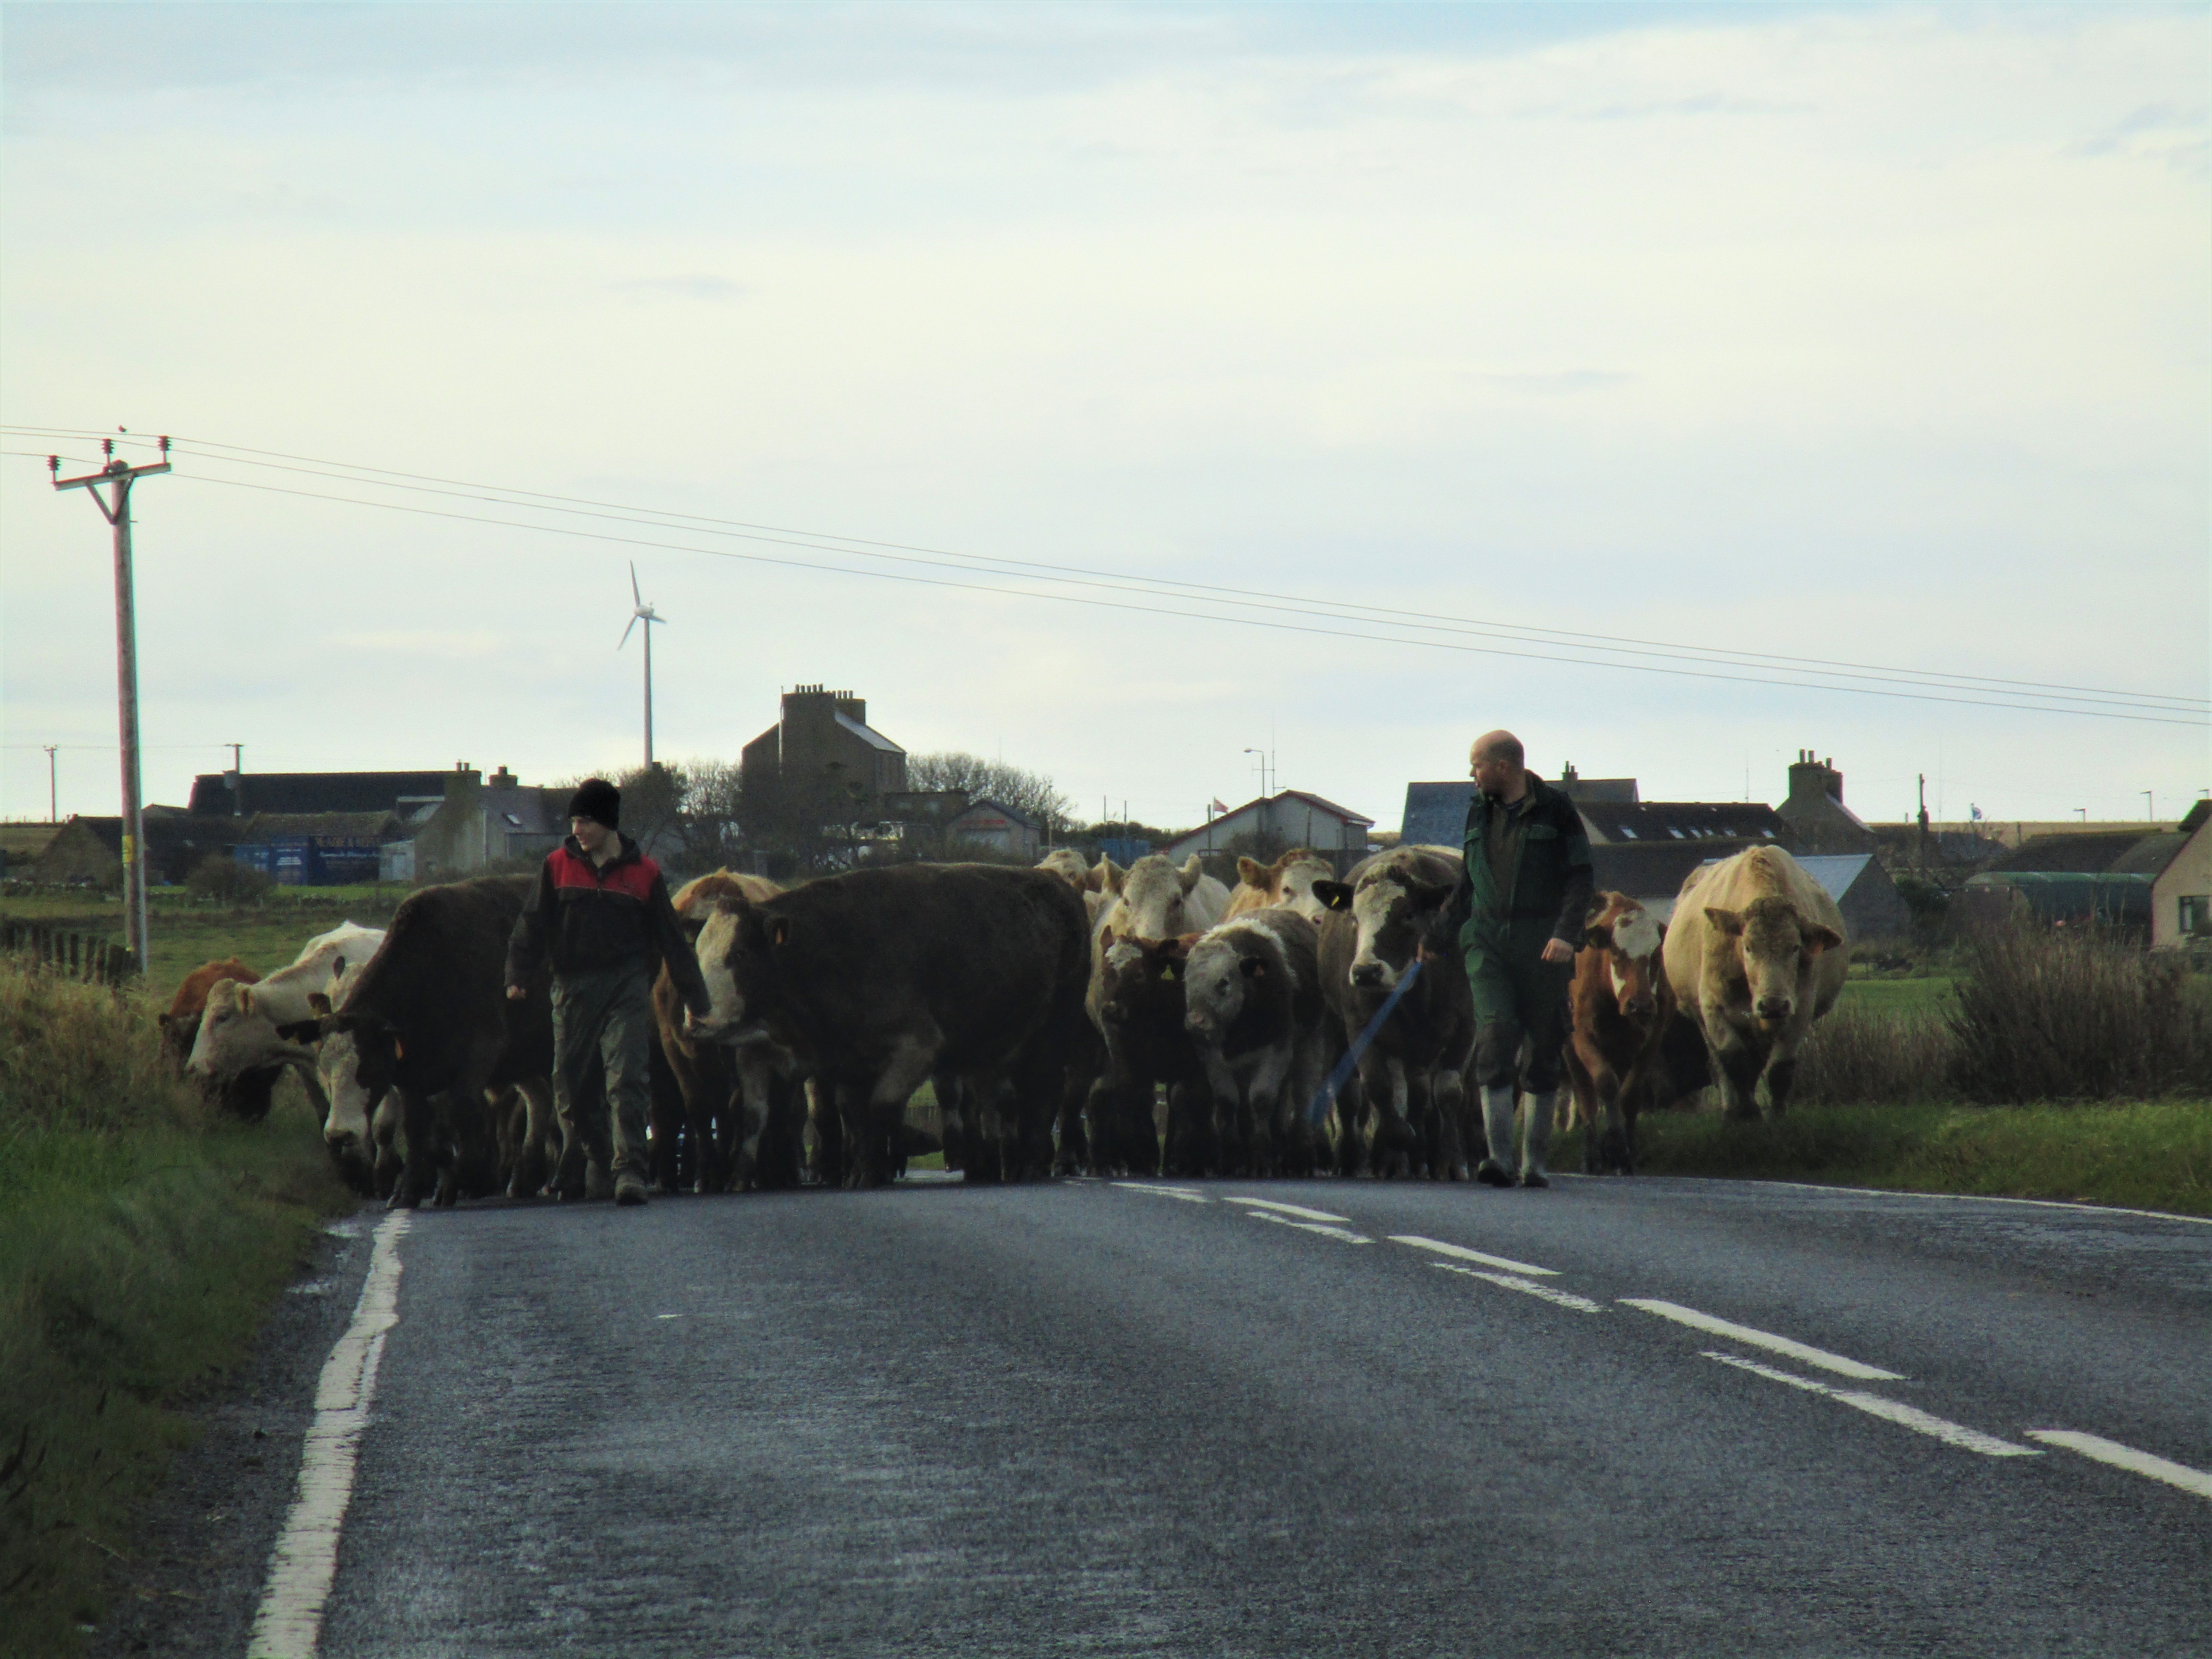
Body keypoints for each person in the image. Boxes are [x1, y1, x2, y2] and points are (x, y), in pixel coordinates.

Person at [504, 778, 709, 1206]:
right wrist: (518, 975)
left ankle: (630, 1170)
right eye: (574, 821)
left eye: (585, 821)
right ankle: (598, 1154)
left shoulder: (646, 873)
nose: (577, 830)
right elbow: (531, 924)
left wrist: (696, 998)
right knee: (570, 1088)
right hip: (571, 987)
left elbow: (672, 941)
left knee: (627, 1078)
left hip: (626, 985)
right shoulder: (556, 866)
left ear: (608, 823)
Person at [1432, 730, 1594, 1189]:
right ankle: (1498, 1159)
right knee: (1496, 1033)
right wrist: (1436, 936)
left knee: (1544, 1047)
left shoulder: (1556, 810)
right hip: (1487, 942)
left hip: (1543, 943)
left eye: (1477, 765)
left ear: (1503, 767)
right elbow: (1467, 884)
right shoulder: (1477, 812)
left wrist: (1565, 934)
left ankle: (1534, 1164)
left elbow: (1581, 878)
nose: (1472, 774)